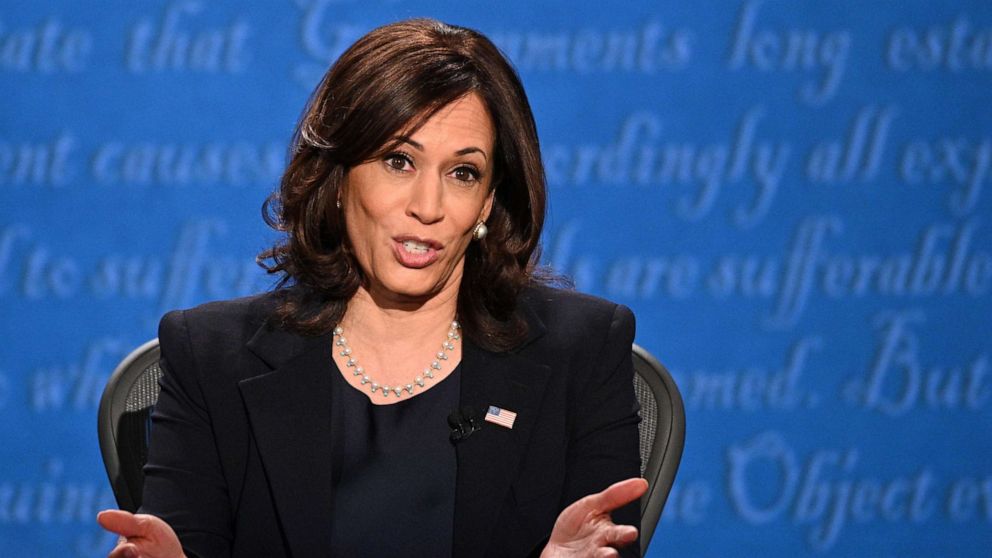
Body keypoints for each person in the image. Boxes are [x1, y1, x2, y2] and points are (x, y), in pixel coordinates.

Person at [97, 18, 646, 558]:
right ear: (336, 177)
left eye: (463, 173)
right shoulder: (209, 354)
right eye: (398, 161)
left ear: (487, 202)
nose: (427, 208)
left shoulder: (584, 348)